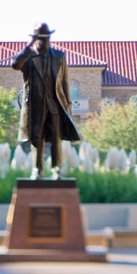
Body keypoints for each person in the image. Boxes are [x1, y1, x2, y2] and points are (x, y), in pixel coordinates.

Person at [12, 23, 81, 179]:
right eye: (40, 38)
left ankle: (57, 169)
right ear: (35, 39)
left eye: (46, 38)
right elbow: (15, 65)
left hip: (55, 104)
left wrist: (68, 104)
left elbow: (63, 82)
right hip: (36, 105)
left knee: (56, 137)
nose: (44, 41)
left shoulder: (59, 57)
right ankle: (38, 169)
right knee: (37, 137)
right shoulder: (29, 58)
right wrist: (28, 47)